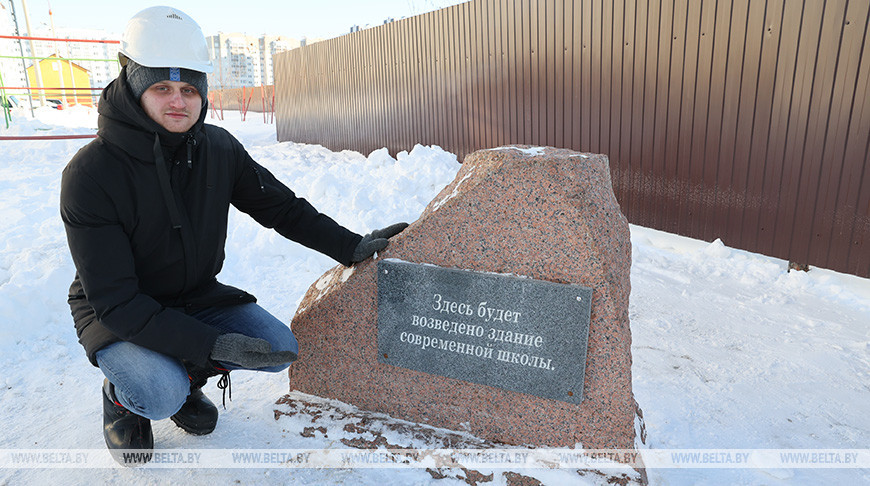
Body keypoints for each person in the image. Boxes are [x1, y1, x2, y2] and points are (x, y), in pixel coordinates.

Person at [59, 6, 406, 464]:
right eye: (161, 87)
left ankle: (184, 378)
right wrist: (211, 346)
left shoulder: (218, 148)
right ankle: (127, 397)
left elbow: (281, 208)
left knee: (280, 348)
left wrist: (349, 245)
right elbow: (118, 302)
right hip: (117, 311)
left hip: (193, 296)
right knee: (158, 393)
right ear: (134, 87)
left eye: (188, 89)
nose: (178, 101)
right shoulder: (92, 173)